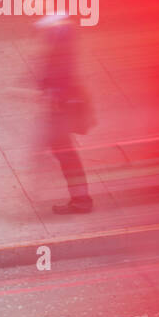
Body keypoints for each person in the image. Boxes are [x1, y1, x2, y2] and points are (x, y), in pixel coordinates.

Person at [36, 13, 93, 214]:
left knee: (65, 154)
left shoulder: (61, 50)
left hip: (60, 110)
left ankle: (81, 199)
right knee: (64, 152)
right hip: (59, 108)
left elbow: (58, 77)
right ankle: (80, 198)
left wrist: (52, 94)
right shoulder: (61, 48)